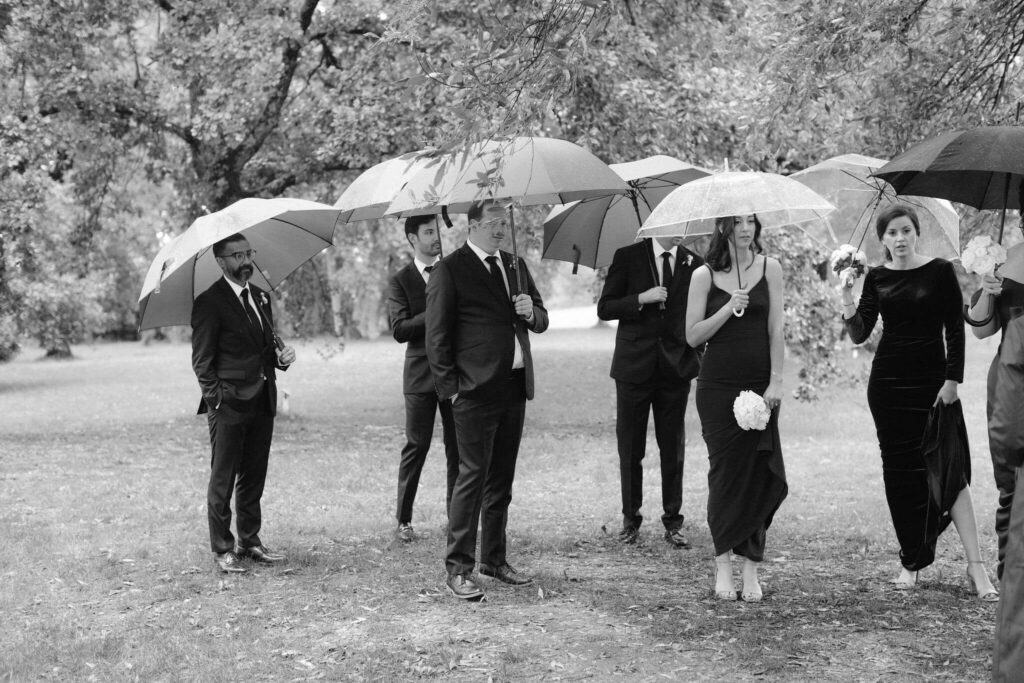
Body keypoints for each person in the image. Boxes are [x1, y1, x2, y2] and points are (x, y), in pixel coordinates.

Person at [841, 205, 997, 599]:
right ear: (883, 240)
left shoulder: (941, 270)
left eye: (906, 230)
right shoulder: (875, 277)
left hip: (933, 385)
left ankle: (976, 568)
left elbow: (955, 332)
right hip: (888, 387)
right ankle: (910, 561)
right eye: (891, 233)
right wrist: (847, 297)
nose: (900, 238)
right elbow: (860, 333)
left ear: (917, 233)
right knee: (900, 475)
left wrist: (952, 380)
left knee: (951, 471)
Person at [426, 200, 549, 600]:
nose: (500, 230)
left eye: (503, 224)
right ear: (474, 225)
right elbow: (437, 338)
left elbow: (543, 319)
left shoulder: (515, 266)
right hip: (473, 393)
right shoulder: (450, 269)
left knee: (501, 481)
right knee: (472, 479)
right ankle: (458, 569)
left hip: (513, 387)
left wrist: (531, 312)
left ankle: (493, 560)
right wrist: (452, 391)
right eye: (493, 224)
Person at [684, 214, 787, 602]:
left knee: (758, 474)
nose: (746, 229)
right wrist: (728, 307)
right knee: (725, 475)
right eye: (738, 222)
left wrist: (776, 380)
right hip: (717, 388)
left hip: (761, 384)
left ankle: (751, 568)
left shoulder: (770, 268)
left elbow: (776, 327)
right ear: (723, 228)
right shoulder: (703, 276)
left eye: (752, 222)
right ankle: (723, 564)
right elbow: (692, 335)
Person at [191, 232, 296, 573]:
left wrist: (282, 358)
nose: (245, 261)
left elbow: (264, 349)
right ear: (221, 262)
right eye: (236, 256)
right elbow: (202, 361)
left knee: (254, 475)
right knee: (223, 478)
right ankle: (223, 548)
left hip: (263, 398)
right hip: (229, 404)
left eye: (247, 253)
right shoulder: (209, 302)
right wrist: (217, 400)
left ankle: (250, 541)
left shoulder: (261, 298)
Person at [597, 233, 703, 548]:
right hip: (633, 368)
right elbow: (605, 307)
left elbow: (702, 314)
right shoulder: (628, 256)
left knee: (673, 449)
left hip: (676, 369)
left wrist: (695, 356)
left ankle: (673, 521)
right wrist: (640, 299)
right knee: (630, 448)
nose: (680, 228)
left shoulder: (695, 263)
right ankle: (631, 520)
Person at [387, 215, 459, 543]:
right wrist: (435, 309)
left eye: (437, 231)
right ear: (413, 239)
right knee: (417, 445)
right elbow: (400, 329)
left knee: (459, 448)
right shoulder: (400, 281)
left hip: (455, 373)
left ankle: (456, 517)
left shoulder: (455, 271)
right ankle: (403, 520)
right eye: (429, 232)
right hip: (419, 376)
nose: (436, 237)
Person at [966, 241, 1024, 579]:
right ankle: (1013, 577)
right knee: (1012, 479)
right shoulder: (1003, 260)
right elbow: (981, 329)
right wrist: (988, 289)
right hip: (1011, 382)